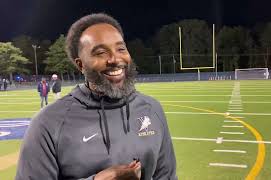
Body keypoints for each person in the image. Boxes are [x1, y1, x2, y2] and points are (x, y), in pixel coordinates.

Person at [16, 13, 177, 180]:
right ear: (81, 65)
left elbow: (167, 176)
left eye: (121, 49)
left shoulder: (152, 109)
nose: (115, 59)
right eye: (100, 53)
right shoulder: (48, 124)